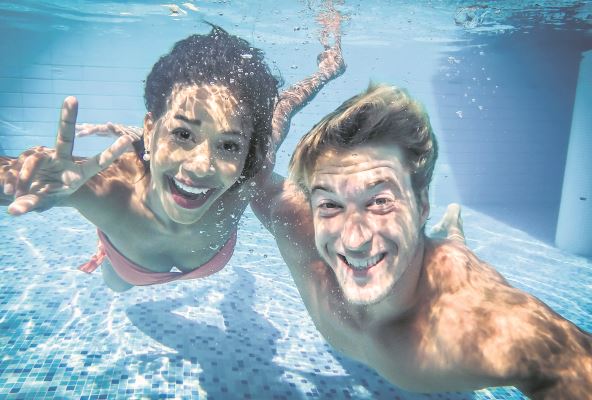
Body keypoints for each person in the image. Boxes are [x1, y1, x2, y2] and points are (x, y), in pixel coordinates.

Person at [251, 84, 592, 398]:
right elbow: (255, 167)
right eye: (330, 204)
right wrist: (315, 80)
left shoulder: (476, 326)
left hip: (450, 272)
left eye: (380, 201)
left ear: (422, 205)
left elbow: (568, 360)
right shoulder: (296, 229)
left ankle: (453, 228)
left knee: (454, 249)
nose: (354, 240)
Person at [0, 6, 346, 292]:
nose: (200, 166)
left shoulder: (250, 171)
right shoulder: (105, 188)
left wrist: (325, 72)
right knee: (116, 285)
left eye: (228, 145)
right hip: (127, 265)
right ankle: (106, 254)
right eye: (183, 134)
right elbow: (13, 177)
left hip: (192, 256)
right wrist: (19, 179)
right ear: (150, 130)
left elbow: (284, 106)